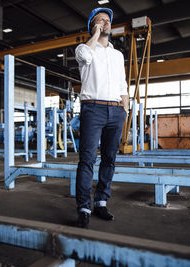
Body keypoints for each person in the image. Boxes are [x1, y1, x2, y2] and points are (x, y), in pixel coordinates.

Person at [74, 7, 129, 228]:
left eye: (107, 20)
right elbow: (85, 55)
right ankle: (83, 208)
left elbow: (122, 83)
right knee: (87, 160)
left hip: (116, 111)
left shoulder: (117, 55)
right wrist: (95, 35)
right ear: (93, 26)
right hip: (93, 109)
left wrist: (124, 107)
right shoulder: (85, 49)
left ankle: (101, 202)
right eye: (100, 20)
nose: (105, 23)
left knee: (109, 159)